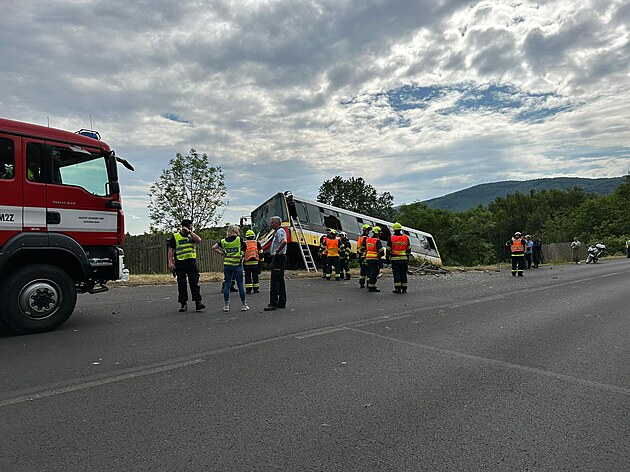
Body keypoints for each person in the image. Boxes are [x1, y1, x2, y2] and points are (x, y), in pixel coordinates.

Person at [168, 219, 205, 312]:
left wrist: (190, 232)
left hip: (191, 262)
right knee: (182, 284)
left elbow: (199, 240)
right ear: (183, 227)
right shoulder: (176, 236)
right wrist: (170, 262)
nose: (190, 227)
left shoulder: (192, 236)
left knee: (194, 283)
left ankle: (198, 302)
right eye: (189, 226)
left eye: (191, 226)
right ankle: (183, 303)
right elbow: (171, 250)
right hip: (180, 263)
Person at [212, 225, 249, 312]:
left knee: (227, 285)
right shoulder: (239, 239)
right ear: (235, 231)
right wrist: (241, 254)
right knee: (240, 285)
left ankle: (226, 306)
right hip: (237, 264)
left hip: (227, 264)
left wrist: (222, 253)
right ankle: (244, 305)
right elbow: (245, 247)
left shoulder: (223, 241)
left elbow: (213, 247)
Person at [264, 216, 287, 311]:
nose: (271, 224)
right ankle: (282, 302)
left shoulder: (280, 231)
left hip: (279, 258)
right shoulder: (277, 232)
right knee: (280, 280)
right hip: (279, 258)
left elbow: (284, 241)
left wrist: (276, 252)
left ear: (277, 223)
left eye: (272, 222)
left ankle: (273, 303)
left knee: (275, 281)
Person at [387, 222, 411, 293]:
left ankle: (397, 288)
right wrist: (407, 257)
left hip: (395, 259)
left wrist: (387, 258)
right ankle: (404, 288)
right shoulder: (405, 238)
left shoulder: (391, 238)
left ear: (394, 230)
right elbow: (408, 249)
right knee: (403, 273)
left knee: (396, 274)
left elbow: (388, 249)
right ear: (400, 229)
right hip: (404, 259)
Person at [362, 226, 385, 292]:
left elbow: (362, 248)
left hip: (368, 258)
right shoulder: (377, 240)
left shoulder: (367, 239)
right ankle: (371, 286)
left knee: (370, 272)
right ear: (378, 233)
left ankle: (370, 285)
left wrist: (366, 253)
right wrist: (381, 254)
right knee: (374, 272)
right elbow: (380, 250)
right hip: (375, 259)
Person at [243, 229, 263, 294]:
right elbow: (260, 252)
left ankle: (248, 290)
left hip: (247, 263)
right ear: (253, 236)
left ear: (246, 237)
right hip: (255, 263)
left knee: (248, 277)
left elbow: (242, 253)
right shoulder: (257, 243)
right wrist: (261, 260)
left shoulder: (244, 243)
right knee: (255, 276)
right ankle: (256, 289)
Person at [357, 224, 371, 288]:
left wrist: (359, 254)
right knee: (368, 271)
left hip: (362, 256)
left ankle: (362, 283)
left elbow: (358, 247)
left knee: (363, 271)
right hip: (365, 256)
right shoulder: (365, 238)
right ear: (365, 230)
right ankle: (368, 283)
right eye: (368, 230)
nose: (368, 232)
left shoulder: (360, 238)